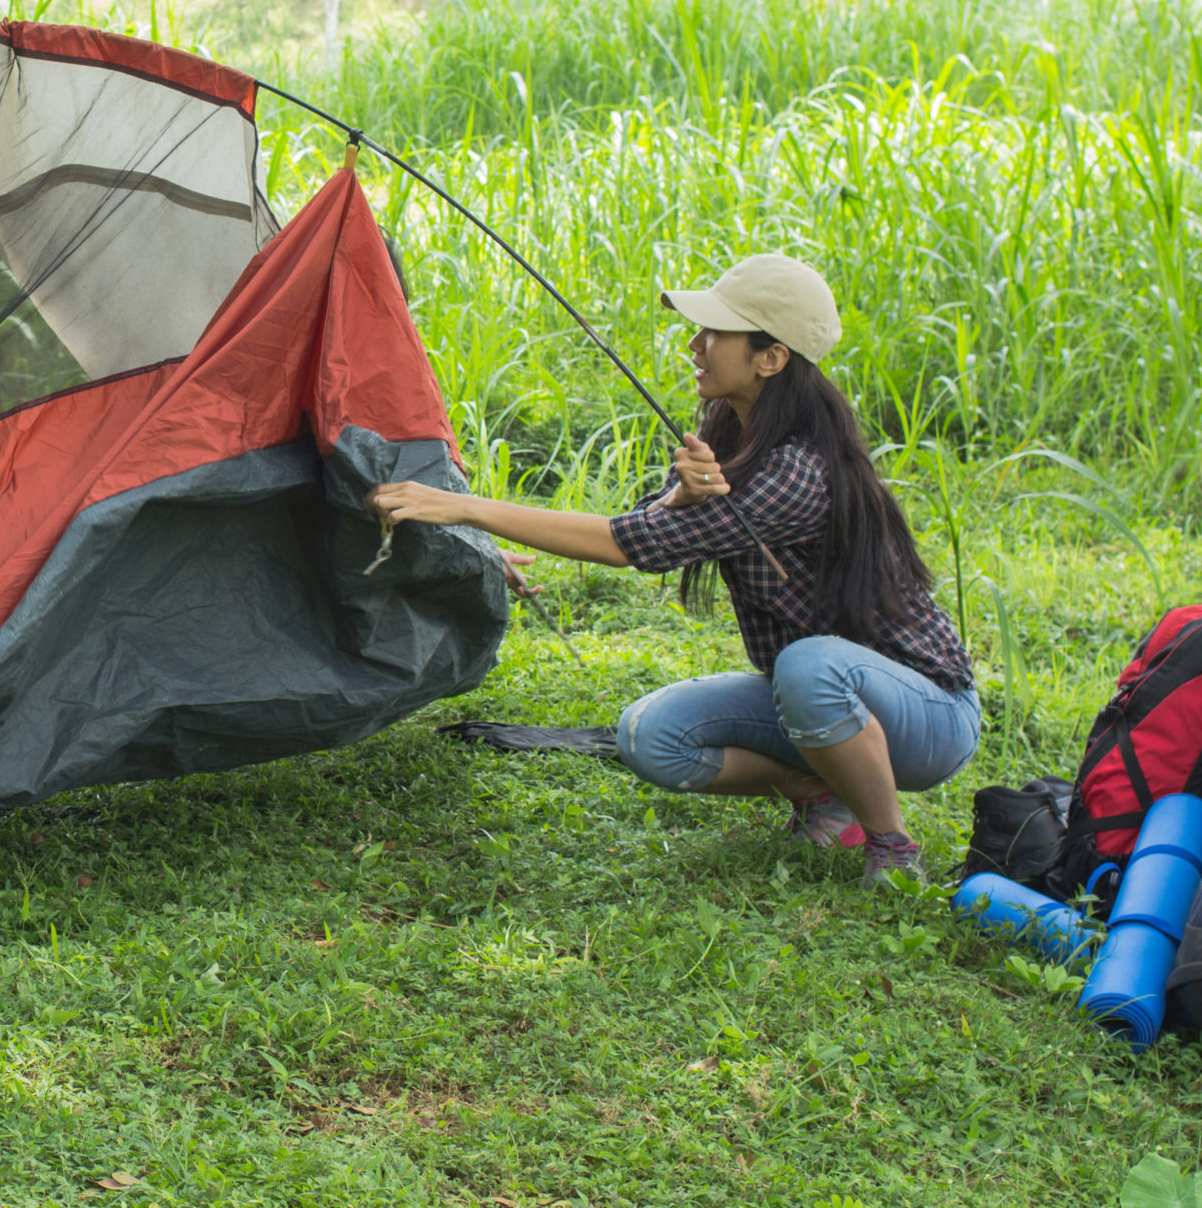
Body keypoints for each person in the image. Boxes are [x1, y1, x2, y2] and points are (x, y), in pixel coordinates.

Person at [371, 253, 978, 888]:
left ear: (771, 358)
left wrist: (461, 507)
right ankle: (826, 792)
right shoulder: (731, 433)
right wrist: (678, 499)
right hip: (822, 697)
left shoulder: (797, 472)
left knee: (808, 664)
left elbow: (621, 545)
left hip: (929, 716)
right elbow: (653, 526)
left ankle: (893, 847)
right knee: (649, 736)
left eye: (716, 333)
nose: (695, 344)